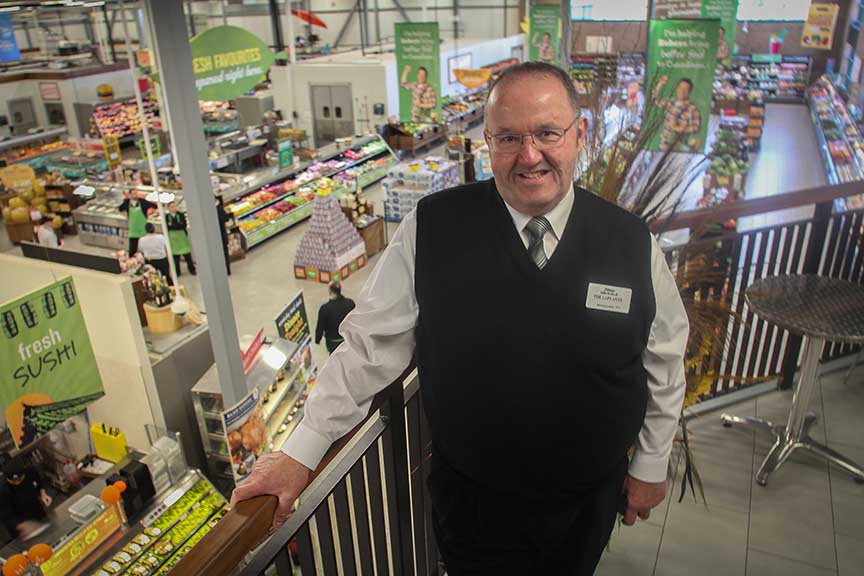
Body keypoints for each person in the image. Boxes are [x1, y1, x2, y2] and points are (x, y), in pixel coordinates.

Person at [232, 62, 688, 575]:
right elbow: (368, 348)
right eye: (508, 138)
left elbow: (664, 359)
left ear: (578, 135)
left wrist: (649, 465)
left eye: (547, 133)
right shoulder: (431, 230)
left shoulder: (630, 244)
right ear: (485, 142)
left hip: (588, 501)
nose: (530, 155)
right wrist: (302, 451)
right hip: (473, 507)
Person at [653, 76, 702, 152]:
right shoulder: (671, 102)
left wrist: (679, 128)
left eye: (685, 89)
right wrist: (660, 84)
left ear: (690, 92)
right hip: (663, 146)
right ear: (677, 89)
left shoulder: (692, 109)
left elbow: (696, 128)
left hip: (679, 149)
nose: (682, 91)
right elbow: (655, 100)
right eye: (680, 87)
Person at [315, 282, 356, 354]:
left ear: (330, 292)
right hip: (348, 339)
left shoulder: (325, 309)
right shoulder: (350, 303)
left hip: (333, 343)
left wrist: (317, 339)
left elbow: (320, 326)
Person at [166, 202, 196, 276]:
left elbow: (183, 225)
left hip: (182, 238)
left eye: (174, 206)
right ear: (168, 208)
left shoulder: (181, 215)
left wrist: (173, 225)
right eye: (172, 207)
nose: (173, 208)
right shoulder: (166, 217)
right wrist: (177, 225)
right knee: (176, 258)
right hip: (173, 240)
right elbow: (168, 227)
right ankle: (177, 272)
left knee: (188, 256)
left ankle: (192, 269)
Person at [215, 195, 232, 276]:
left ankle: (226, 270)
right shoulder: (216, 208)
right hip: (218, 235)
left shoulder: (219, 209)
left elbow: (226, 218)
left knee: (224, 253)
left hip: (221, 235)